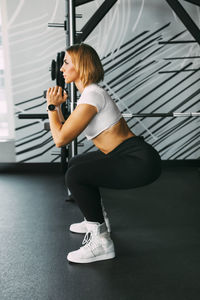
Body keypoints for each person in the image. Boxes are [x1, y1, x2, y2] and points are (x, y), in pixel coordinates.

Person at [46, 43, 161, 264]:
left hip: (137, 160)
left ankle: (101, 243)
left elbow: (60, 139)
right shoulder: (89, 95)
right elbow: (65, 129)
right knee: (78, 163)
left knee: (76, 175)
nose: (61, 68)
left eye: (66, 63)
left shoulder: (92, 95)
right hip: (125, 155)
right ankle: (97, 220)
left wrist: (52, 107)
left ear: (81, 66)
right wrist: (58, 107)